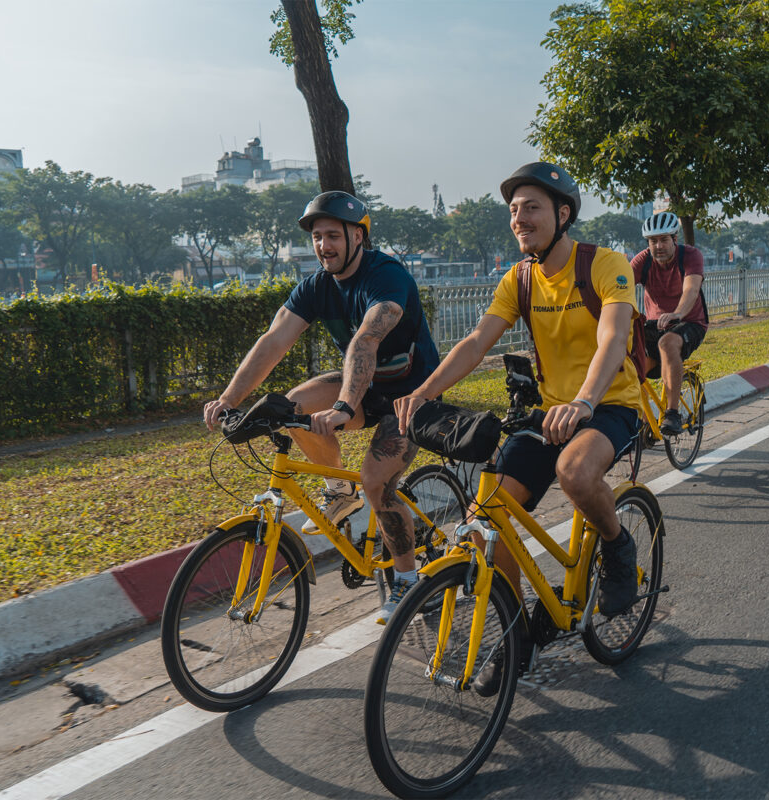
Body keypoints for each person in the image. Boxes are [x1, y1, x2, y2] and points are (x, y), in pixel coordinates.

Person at [394, 162, 642, 696]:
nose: (519, 218)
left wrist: (582, 401)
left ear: (563, 213)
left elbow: (613, 338)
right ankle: (517, 634)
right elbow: (476, 343)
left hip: (609, 403)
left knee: (576, 473)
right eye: (513, 210)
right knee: (488, 516)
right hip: (550, 412)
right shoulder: (520, 278)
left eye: (531, 207)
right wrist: (424, 392)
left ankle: (618, 549)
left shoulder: (605, 264)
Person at [203, 190, 440, 624]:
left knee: (377, 480)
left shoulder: (387, 277)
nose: (323, 246)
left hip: (413, 393)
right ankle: (339, 492)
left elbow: (366, 339)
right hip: (365, 387)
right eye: (316, 237)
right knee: (291, 406)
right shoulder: (316, 286)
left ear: (358, 237)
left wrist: (345, 406)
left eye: (332, 235)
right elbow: (274, 341)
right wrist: (229, 399)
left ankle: (410, 581)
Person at [629, 211, 709, 436]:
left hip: (690, 322)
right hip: (654, 325)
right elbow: (620, 289)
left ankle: (672, 413)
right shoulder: (642, 261)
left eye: (664, 239)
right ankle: (646, 424)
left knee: (667, 344)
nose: (658, 246)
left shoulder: (691, 256)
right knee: (629, 366)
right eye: (653, 241)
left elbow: (691, 289)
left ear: (675, 239)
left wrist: (677, 313)